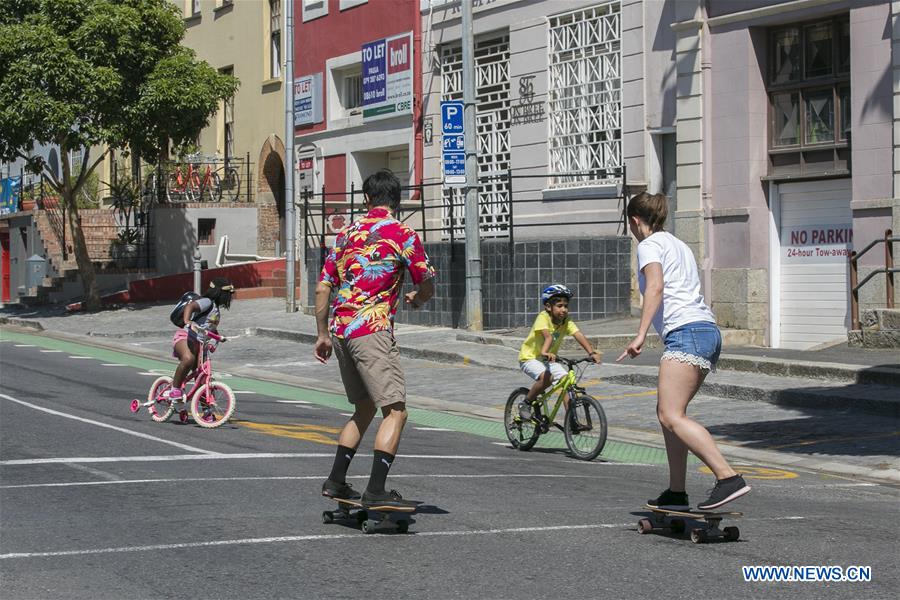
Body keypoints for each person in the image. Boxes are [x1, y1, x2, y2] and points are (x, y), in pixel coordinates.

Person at [616, 191, 750, 511]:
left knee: (670, 414)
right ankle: (677, 492)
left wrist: (640, 334)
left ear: (635, 221)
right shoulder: (677, 244)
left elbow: (657, 287)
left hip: (686, 333)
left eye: (631, 225)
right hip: (705, 331)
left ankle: (728, 477)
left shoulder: (648, 245)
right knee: (669, 416)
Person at [314, 169, 435, 508]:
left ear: (366, 199)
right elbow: (425, 281)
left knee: (364, 407)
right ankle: (377, 491)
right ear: (397, 200)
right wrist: (418, 298)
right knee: (395, 411)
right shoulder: (403, 233)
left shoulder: (345, 234)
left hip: (340, 329)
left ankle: (336, 481)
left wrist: (322, 334)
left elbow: (323, 287)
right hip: (372, 330)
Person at [519, 285, 602, 413]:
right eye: (559, 306)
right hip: (530, 358)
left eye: (566, 306)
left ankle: (572, 420)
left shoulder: (566, 321)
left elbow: (578, 334)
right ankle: (526, 403)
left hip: (548, 359)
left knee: (566, 382)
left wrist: (591, 353)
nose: (564, 309)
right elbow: (548, 337)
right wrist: (544, 352)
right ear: (548, 307)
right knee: (547, 379)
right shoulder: (543, 317)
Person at [168, 277, 235, 400]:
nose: (230, 298)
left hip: (200, 344)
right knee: (188, 359)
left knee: (203, 378)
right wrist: (187, 321)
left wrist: (216, 340)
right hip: (186, 337)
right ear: (220, 293)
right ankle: (175, 388)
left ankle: (207, 411)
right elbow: (191, 306)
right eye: (228, 295)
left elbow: (211, 329)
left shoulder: (216, 310)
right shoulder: (207, 302)